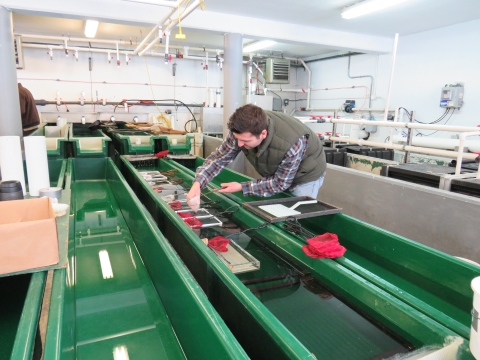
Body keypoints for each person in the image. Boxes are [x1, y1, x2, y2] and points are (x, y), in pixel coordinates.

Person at [187, 104, 326, 203]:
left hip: (306, 174)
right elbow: (218, 159)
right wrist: (198, 183)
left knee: (294, 216)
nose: (239, 145)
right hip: (281, 170)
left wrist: (242, 186)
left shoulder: (292, 143)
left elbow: (279, 184)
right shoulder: (242, 130)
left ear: (263, 133)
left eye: (245, 141)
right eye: (237, 139)